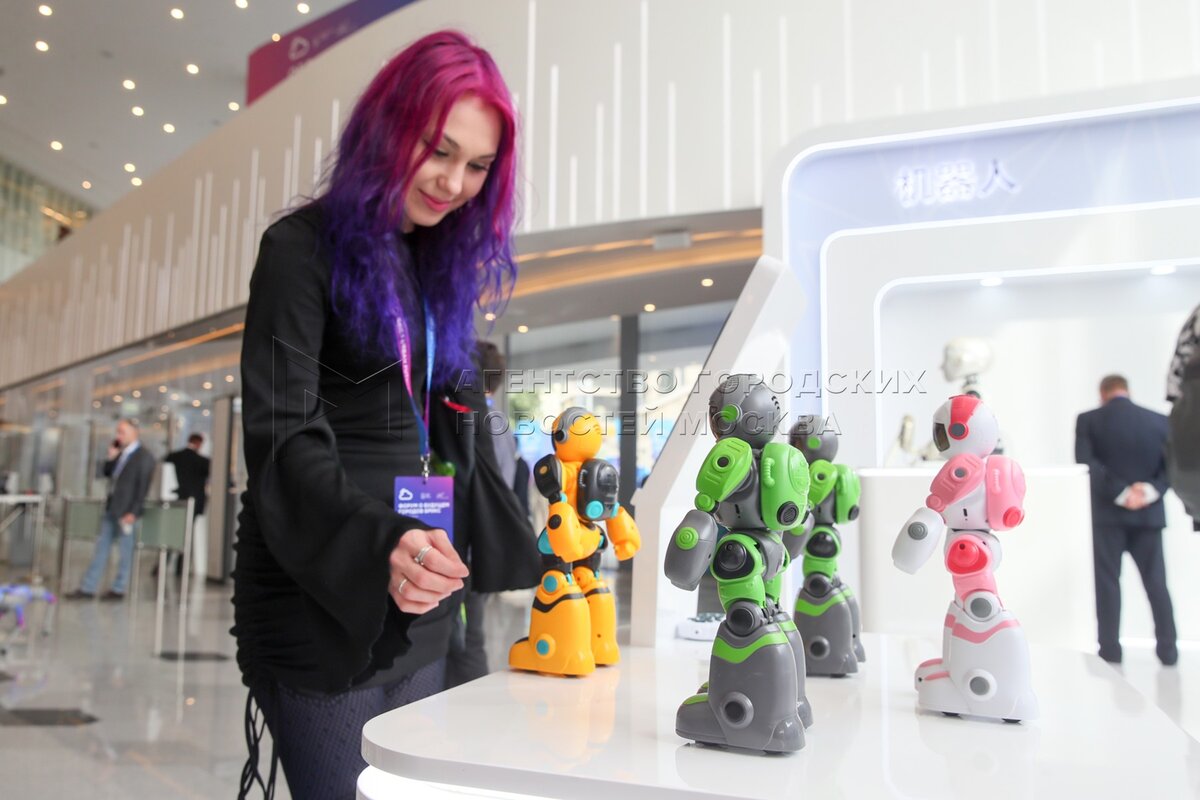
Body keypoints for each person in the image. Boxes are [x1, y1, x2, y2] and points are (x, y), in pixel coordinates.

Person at [232, 31, 530, 800]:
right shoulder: (298, 250)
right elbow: (281, 433)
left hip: (423, 591)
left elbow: (457, 428)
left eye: (478, 166)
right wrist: (382, 542)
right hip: (323, 588)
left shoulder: (436, 266)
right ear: (386, 128)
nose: (455, 182)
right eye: (439, 150)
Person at [1075, 374, 1177, 666]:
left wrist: (1120, 492)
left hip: (1107, 517)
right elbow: (1172, 467)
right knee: (1157, 584)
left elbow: (1087, 464)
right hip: (1148, 515)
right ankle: (1168, 651)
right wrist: (1148, 491)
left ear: (1102, 393)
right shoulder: (1159, 421)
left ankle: (1110, 651)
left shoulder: (1088, 420)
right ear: (1127, 391)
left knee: (1108, 584)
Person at [66, 418, 157, 600]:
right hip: (112, 508)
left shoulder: (144, 457)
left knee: (125, 552)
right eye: (118, 432)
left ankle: (119, 588)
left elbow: (143, 487)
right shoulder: (122, 454)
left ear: (135, 432)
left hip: (127, 512)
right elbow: (107, 473)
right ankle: (88, 587)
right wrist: (111, 457)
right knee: (101, 548)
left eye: (122, 432)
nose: (119, 436)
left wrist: (134, 511)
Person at [163, 433, 211, 576]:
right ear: (199, 443)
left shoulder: (174, 457)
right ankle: (181, 567)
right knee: (187, 535)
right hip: (193, 503)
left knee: (172, 532)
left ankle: (164, 563)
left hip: (175, 500)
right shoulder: (203, 461)